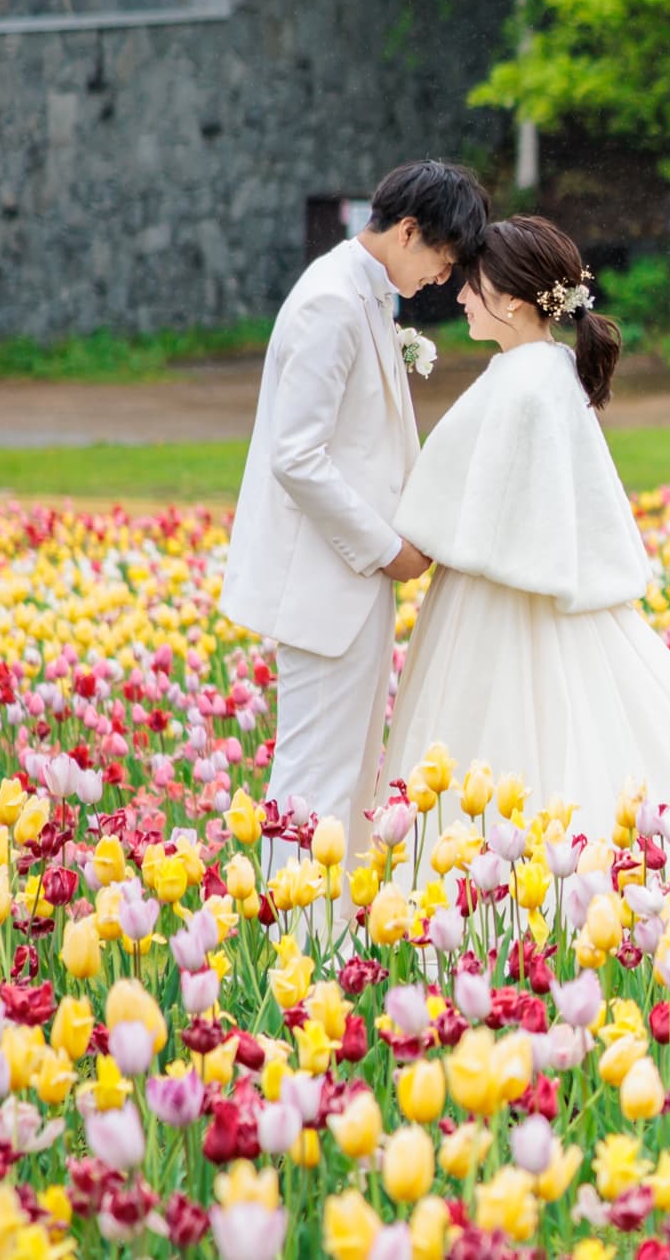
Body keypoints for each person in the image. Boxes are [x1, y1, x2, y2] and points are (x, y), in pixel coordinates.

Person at [382, 215, 670, 904]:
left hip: (495, 606)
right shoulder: (543, 374)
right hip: (519, 595)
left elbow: (452, 510)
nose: (458, 296)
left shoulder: (521, 384)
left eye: (472, 285)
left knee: (506, 739)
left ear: (512, 299)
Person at [220, 160, 489, 875]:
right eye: (445, 259)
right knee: (315, 779)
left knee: (344, 775)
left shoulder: (369, 297)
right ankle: (294, 953)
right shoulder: (331, 304)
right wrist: (385, 548)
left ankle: (328, 939)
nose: (446, 279)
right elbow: (296, 457)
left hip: (349, 582)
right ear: (407, 232)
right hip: (325, 579)